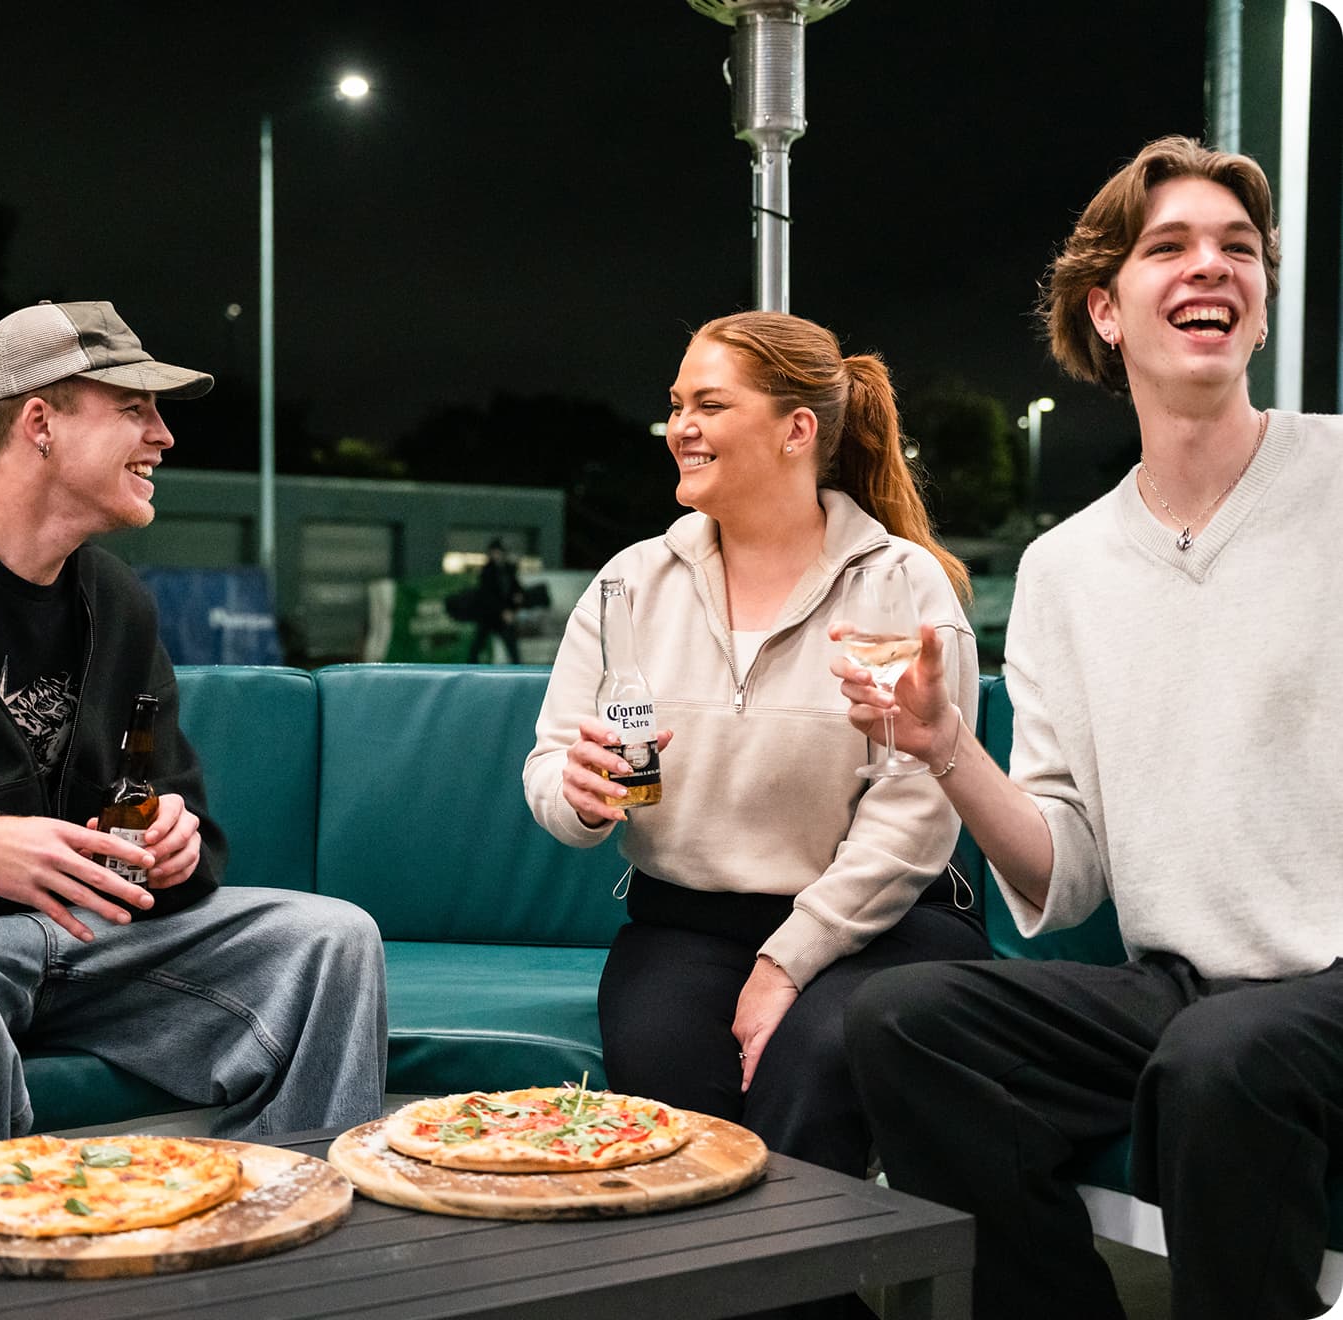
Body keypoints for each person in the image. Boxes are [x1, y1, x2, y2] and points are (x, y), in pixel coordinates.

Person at [834, 136, 1343, 1320]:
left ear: (1262, 304)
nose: (1211, 267)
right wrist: (945, 747)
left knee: (1225, 1064)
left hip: (1325, 989)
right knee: (906, 1020)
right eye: (1170, 247)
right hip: (1183, 988)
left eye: (1238, 250)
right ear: (1106, 312)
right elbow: (1066, 878)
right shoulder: (1065, 569)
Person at [524, 311, 989, 1183]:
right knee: (675, 1120)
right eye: (674, 405)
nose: (680, 429)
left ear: (796, 430)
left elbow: (914, 811)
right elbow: (551, 763)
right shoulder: (630, 583)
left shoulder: (899, 583)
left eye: (709, 404)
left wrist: (787, 961)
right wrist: (577, 795)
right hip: (685, 925)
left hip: (883, 929)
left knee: (812, 1066)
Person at [0, 299, 388, 1156]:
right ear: (40, 421)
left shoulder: (117, 601)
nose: (164, 437)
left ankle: (280, 1235)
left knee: (330, 938)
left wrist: (175, 847)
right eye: (133, 409)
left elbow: (179, 818)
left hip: (94, 939)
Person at [467, 538, 524, 663]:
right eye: (494, 552)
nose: (497, 555)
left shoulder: (508, 569)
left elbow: (515, 587)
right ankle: (470, 668)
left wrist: (517, 597)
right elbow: (487, 595)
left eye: (499, 552)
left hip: (503, 616)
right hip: (489, 615)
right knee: (477, 645)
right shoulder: (487, 571)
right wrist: (503, 610)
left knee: (512, 646)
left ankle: (518, 671)